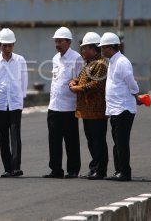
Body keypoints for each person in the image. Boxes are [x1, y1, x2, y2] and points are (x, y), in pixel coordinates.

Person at [99, 32, 141, 181]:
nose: (102, 51)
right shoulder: (112, 61)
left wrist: (137, 96)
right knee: (117, 142)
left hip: (123, 108)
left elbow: (131, 82)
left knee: (121, 142)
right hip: (116, 108)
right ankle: (119, 171)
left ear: (111, 47)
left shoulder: (122, 62)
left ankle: (124, 172)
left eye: (103, 48)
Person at [0, 28, 28, 177]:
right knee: (3, 137)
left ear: (14, 45)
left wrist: (21, 97)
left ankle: (16, 167)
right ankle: (7, 168)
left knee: (15, 135)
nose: (7, 48)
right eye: (4, 45)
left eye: (10, 45)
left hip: (15, 103)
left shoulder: (20, 60)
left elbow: (24, 81)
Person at [43, 27, 83, 179]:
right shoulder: (55, 58)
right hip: (54, 106)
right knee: (54, 140)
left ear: (68, 42)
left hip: (69, 106)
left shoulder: (76, 58)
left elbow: (79, 79)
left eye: (60, 41)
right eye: (56, 41)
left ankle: (73, 170)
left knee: (71, 140)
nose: (57, 44)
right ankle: (56, 169)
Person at [69, 32, 109, 180]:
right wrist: (73, 82)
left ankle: (100, 169)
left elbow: (96, 84)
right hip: (87, 110)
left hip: (97, 110)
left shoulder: (100, 64)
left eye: (85, 48)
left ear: (94, 49)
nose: (82, 52)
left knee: (98, 140)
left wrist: (77, 88)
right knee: (91, 140)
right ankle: (94, 167)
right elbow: (79, 79)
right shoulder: (88, 64)